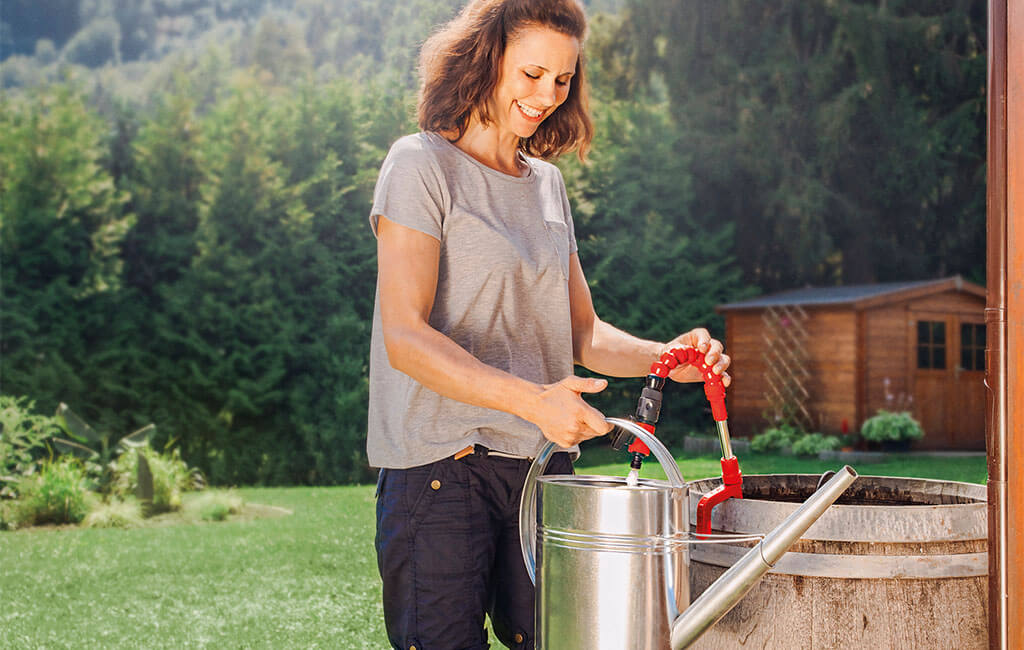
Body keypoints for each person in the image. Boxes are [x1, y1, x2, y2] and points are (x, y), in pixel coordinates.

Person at [367, 1, 731, 648]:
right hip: (442, 468)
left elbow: (582, 334)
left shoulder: (545, 186)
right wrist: (535, 401)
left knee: (565, 638)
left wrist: (663, 357)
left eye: (562, 80)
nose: (547, 96)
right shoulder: (421, 166)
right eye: (532, 74)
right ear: (486, 60)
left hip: (539, 469)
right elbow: (406, 337)